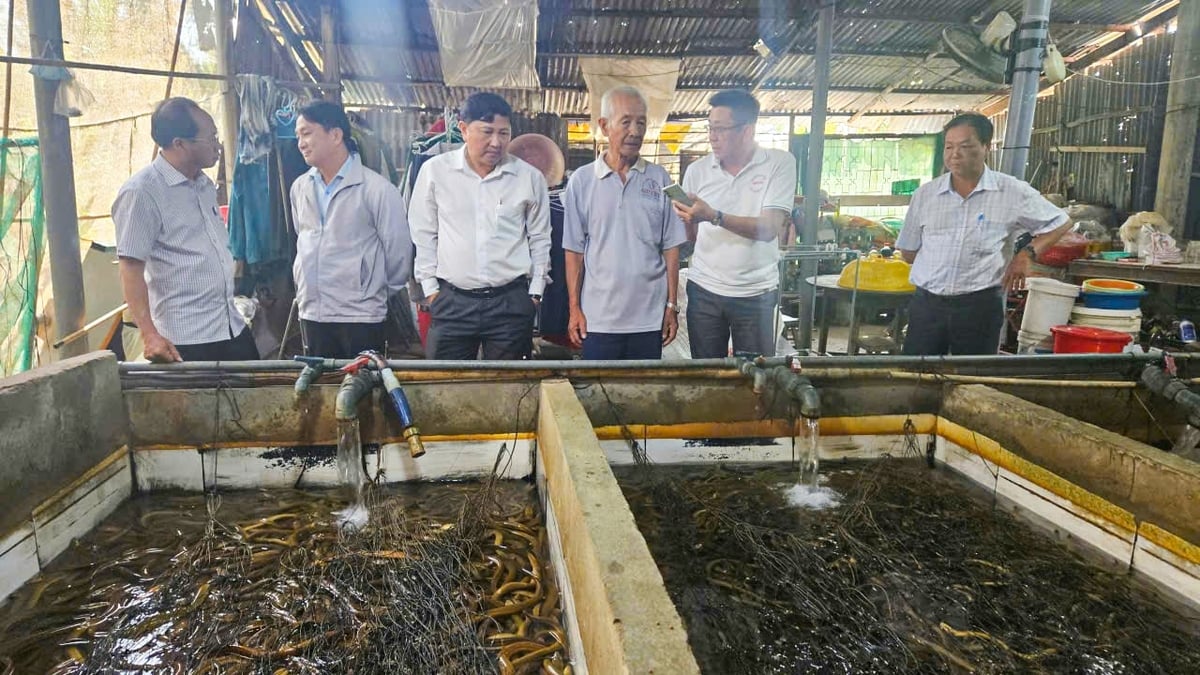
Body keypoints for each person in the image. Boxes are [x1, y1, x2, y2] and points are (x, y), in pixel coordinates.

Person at [896, 112, 1072, 356]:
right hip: (928, 306)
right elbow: (908, 253)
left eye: (965, 146)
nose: (955, 154)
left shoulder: (1011, 191)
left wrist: (1027, 254)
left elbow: (1061, 222)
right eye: (949, 146)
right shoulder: (925, 195)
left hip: (978, 307)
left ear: (986, 147)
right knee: (917, 375)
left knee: (972, 377)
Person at [114, 97, 259, 362]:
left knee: (256, 397)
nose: (217, 145)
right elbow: (130, 267)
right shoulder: (142, 192)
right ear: (179, 144)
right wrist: (150, 335)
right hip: (185, 340)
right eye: (211, 137)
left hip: (230, 326)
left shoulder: (203, 185)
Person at [409, 92, 551, 360]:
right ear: (463, 129)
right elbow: (424, 234)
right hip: (452, 303)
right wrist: (431, 292)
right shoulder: (435, 172)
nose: (496, 142)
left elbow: (541, 238)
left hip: (510, 303)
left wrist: (535, 294)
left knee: (510, 392)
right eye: (487, 132)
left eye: (504, 133)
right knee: (447, 389)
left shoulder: (528, 178)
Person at [563, 86, 688, 360]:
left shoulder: (660, 179)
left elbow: (671, 247)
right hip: (599, 319)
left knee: (642, 395)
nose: (635, 131)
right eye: (626, 121)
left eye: (641, 122)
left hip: (649, 317)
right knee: (600, 394)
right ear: (605, 126)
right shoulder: (582, 182)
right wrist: (574, 308)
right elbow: (574, 251)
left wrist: (672, 306)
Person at [672, 89, 797, 358]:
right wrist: (687, 218)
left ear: (747, 131)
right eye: (710, 128)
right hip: (705, 291)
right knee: (708, 373)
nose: (712, 136)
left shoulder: (778, 164)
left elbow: (769, 228)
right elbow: (691, 238)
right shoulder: (698, 170)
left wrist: (714, 216)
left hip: (756, 293)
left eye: (721, 129)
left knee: (757, 377)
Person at [290, 101, 412, 359]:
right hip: (312, 311)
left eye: (307, 133)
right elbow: (302, 239)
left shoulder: (377, 190)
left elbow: (399, 255)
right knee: (321, 391)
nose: (301, 143)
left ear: (335, 135)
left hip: (361, 316)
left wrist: (369, 289)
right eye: (298, 136)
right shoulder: (300, 188)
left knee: (363, 392)